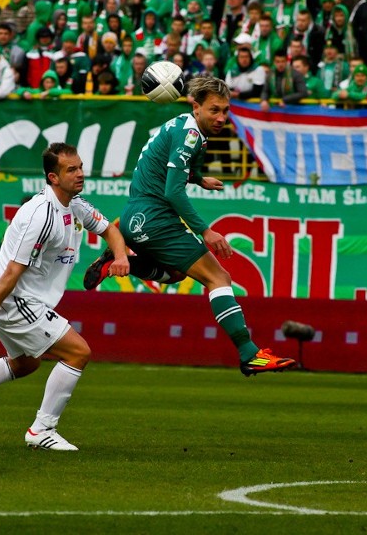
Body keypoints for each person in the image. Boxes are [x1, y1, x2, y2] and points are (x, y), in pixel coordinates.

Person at [83, 76, 296, 377]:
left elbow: (174, 167)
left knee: (175, 274)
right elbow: (172, 191)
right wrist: (205, 231)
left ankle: (120, 262)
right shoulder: (191, 135)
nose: (221, 117)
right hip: (155, 218)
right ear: (196, 106)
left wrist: (199, 179)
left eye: (225, 110)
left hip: (135, 218)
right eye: (214, 110)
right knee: (218, 277)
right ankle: (250, 354)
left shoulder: (186, 126)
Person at [0, 143, 130, 451]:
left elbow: (110, 231)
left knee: (26, 365)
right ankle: (41, 430)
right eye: (71, 170)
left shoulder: (76, 205)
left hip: (22, 298)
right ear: (53, 177)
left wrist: (119, 256)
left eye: (80, 167)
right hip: (13, 299)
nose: (80, 174)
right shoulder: (40, 217)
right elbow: (11, 273)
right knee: (78, 353)